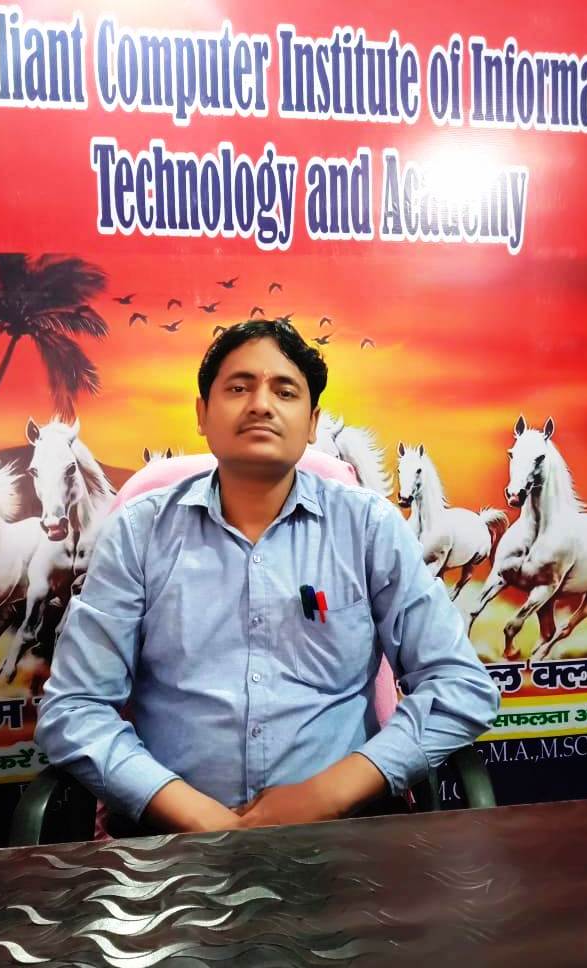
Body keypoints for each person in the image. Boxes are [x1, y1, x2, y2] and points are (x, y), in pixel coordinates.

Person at [36, 320, 500, 834]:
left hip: (345, 833)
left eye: (285, 391)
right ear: (202, 414)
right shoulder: (138, 533)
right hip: (174, 842)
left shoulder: (368, 527)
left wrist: (328, 794)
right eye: (238, 388)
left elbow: (460, 686)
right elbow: (75, 708)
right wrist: (193, 813)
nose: (261, 405)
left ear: (312, 423)